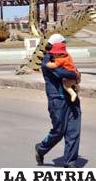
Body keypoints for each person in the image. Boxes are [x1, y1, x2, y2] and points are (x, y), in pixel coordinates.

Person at [35, 34, 81, 168]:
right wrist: (76, 75)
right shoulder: (46, 61)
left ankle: (70, 163)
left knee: (73, 131)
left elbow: (74, 70)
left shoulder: (64, 56)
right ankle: (41, 148)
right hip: (58, 101)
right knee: (58, 131)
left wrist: (76, 75)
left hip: (72, 98)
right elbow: (63, 73)